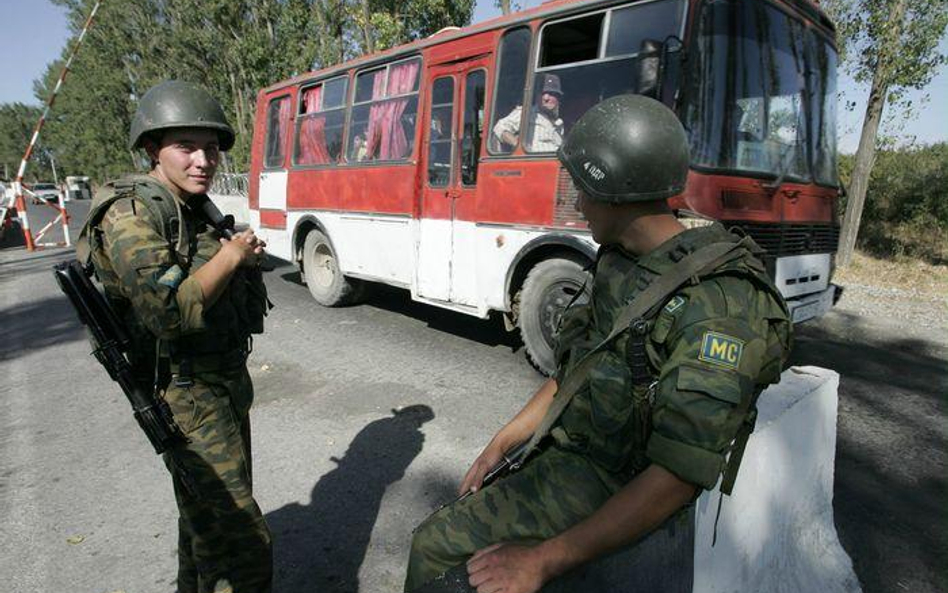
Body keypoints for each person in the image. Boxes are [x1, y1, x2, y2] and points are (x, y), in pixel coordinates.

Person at [405, 95, 792, 593]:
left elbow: (677, 475)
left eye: (584, 189)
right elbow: (580, 368)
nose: (578, 203)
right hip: (579, 453)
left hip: (619, 480)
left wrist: (541, 561)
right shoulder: (622, 260)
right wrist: (505, 439)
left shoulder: (717, 307)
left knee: (433, 547)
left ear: (615, 190)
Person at [77, 80, 273, 592]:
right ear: (151, 148)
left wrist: (239, 258)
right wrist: (231, 258)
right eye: (185, 147)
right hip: (187, 399)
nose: (202, 160)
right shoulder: (132, 213)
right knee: (242, 544)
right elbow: (167, 313)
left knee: (205, 530)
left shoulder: (192, 208)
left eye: (209, 148)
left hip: (220, 387)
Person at [492, 73, 565, 152]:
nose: (546, 98)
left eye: (551, 94)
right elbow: (500, 127)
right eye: (542, 93)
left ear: (558, 98)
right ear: (537, 96)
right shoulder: (527, 112)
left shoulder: (559, 123)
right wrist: (520, 147)